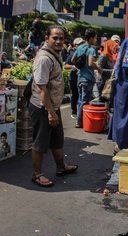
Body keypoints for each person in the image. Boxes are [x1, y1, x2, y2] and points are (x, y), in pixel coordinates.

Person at [30, 25, 78, 187]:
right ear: (47, 39)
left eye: (61, 38)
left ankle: (61, 167)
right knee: (40, 142)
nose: (58, 41)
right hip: (43, 107)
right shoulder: (44, 58)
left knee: (57, 140)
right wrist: (51, 112)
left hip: (53, 106)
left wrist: (54, 110)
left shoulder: (55, 54)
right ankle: (37, 175)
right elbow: (41, 88)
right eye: (54, 38)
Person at [72, 29, 102, 128]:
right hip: (88, 78)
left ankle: (80, 120)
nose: (96, 40)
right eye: (95, 38)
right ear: (91, 38)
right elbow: (90, 63)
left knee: (81, 99)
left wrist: (80, 66)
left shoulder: (80, 47)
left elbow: (73, 60)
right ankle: (79, 122)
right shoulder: (91, 49)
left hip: (80, 77)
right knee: (84, 100)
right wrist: (98, 69)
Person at [65, 37, 84, 119]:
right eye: (80, 44)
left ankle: (81, 112)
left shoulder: (84, 53)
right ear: (75, 46)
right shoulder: (73, 54)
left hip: (82, 78)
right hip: (74, 78)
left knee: (81, 95)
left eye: (82, 44)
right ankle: (74, 112)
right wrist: (73, 66)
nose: (82, 45)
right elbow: (66, 66)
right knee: (75, 95)